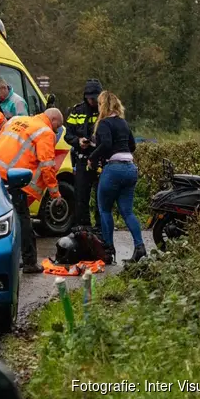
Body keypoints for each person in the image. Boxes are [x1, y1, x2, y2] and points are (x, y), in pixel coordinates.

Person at [0, 108, 65, 273]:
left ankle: (7, 258)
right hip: (15, 179)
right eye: (57, 127)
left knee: (1, 219)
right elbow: (47, 166)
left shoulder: (15, 120)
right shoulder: (45, 132)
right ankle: (29, 262)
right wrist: (55, 193)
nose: (56, 131)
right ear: (53, 120)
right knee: (23, 221)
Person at [87, 91, 145, 264]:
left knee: (104, 209)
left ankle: (108, 250)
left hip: (113, 169)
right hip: (130, 168)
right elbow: (132, 146)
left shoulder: (104, 123)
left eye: (99, 104)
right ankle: (140, 247)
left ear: (103, 105)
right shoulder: (123, 123)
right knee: (127, 212)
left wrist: (92, 158)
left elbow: (106, 144)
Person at [64, 79, 103, 231]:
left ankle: (101, 227)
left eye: (95, 97)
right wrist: (78, 141)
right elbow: (68, 135)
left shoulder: (105, 111)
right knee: (81, 195)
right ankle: (84, 227)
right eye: (90, 97)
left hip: (101, 160)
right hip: (82, 158)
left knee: (101, 196)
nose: (92, 100)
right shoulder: (77, 111)